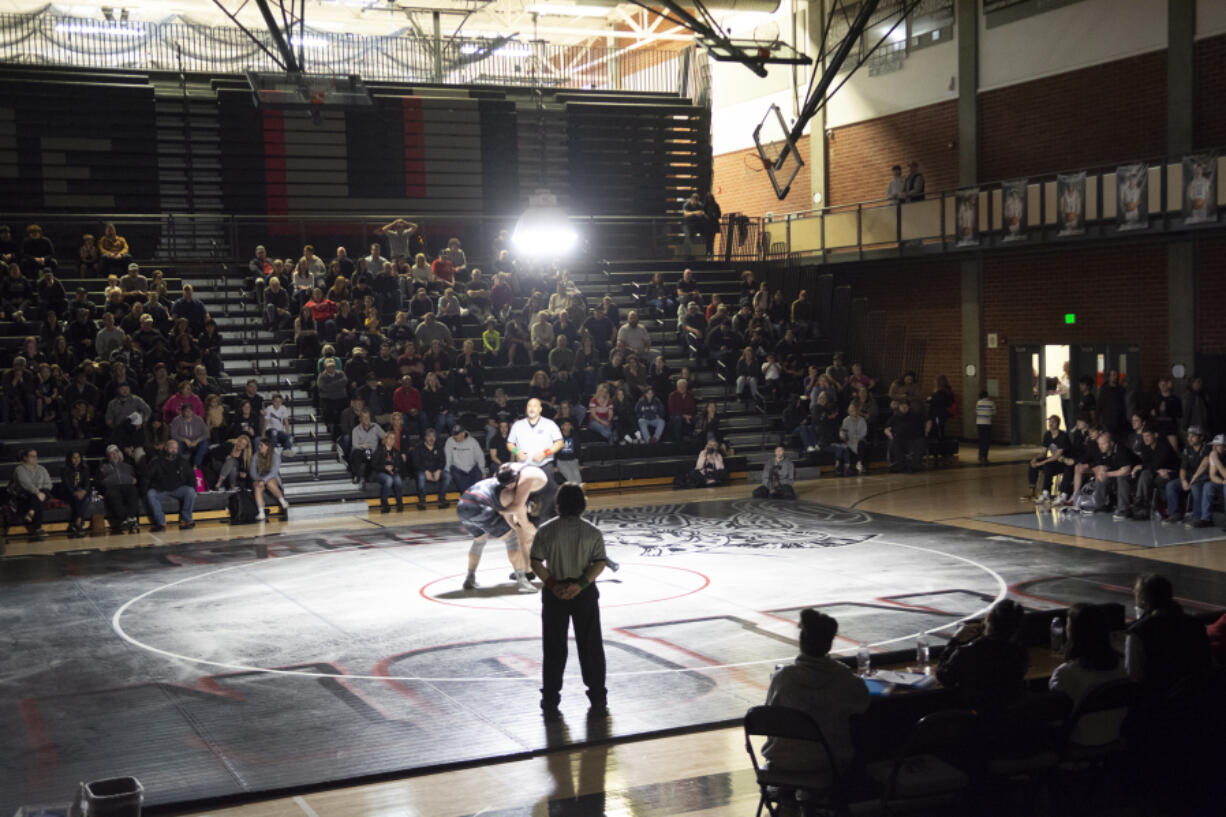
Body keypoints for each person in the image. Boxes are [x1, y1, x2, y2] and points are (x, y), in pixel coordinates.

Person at [530, 482, 610, 718]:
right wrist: (581, 585)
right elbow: (600, 563)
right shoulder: (592, 532)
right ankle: (598, 695)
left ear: (558, 505)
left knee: (554, 646)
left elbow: (535, 562)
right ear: (583, 505)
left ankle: (550, 697)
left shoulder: (545, 530)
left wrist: (554, 585)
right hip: (583, 592)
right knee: (591, 645)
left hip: (555, 593)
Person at [762, 609, 869, 783]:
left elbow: (768, 720)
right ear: (829, 643)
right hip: (828, 761)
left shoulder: (782, 679)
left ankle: (790, 802)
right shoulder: (845, 678)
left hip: (783, 761)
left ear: (801, 641)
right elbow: (863, 704)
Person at [1049, 604, 1129, 747]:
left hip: (1078, 739)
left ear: (1073, 632)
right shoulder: (1123, 666)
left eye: (1068, 624)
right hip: (1114, 733)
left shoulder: (1066, 673)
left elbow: (1056, 713)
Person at [460, 463, 548, 592]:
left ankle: (470, 578)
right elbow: (525, 525)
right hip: (481, 508)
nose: (510, 487)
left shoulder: (496, 480)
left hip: (463, 505)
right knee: (512, 539)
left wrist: (515, 526)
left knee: (479, 540)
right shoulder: (513, 495)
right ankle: (523, 582)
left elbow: (508, 517)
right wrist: (541, 537)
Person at [1125, 573, 1212, 700]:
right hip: (1196, 698)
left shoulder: (1138, 632)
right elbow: (1207, 661)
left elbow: (1135, 676)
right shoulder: (1195, 624)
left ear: (1143, 599)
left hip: (1159, 703)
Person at [936, 598, 1028, 715]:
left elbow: (944, 676)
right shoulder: (1019, 652)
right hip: (1010, 720)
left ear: (988, 619)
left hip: (973, 720)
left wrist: (954, 640)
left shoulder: (968, 652)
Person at [508, 397, 563, 519]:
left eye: (534, 406)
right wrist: (517, 452)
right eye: (529, 406)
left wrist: (545, 453)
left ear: (540, 409)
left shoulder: (550, 424)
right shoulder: (518, 425)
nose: (532, 409)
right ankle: (526, 521)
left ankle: (546, 520)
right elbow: (510, 443)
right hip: (524, 467)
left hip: (544, 466)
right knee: (522, 496)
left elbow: (559, 443)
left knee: (551, 492)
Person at [142, 439, 196, 532]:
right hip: (161, 489)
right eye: (171, 448)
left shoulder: (182, 461)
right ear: (165, 448)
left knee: (190, 491)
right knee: (150, 494)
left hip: (178, 488)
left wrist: (193, 488)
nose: (174, 450)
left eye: (176, 448)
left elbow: (191, 476)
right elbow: (146, 477)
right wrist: (144, 491)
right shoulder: (156, 461)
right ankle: (161, 523)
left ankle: (187, 520)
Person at [97, 444, 140, 533]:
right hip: (112, 487)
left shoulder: (127, 466)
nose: (114, 454)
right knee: (114, 495)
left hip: (127, 485)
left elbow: (135, 477)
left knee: (133, 491)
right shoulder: (103, 467)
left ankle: (130, 518)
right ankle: (125, 519)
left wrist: (134, 480)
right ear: (108, 455)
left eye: (116, 452)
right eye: (111, 453)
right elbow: (99, 481)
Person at [1027, 415, 1069, 505]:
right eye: (1049, 421)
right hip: (1053, 460)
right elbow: (1043, 453)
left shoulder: (1063, 435)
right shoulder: (1047, 434)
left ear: (1058, 424)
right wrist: (1035, 459)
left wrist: (1040, 463)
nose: (1050, 423)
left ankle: (1046, 493)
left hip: (1063, 461)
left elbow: (1056, 456)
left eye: (1053, 422)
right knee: (1032, 464)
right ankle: (1032, 489)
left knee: (1047, 466)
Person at [11, 447, 51, 540]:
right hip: (24, 493)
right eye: (32, 456)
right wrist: (37, 492)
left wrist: (39, 492)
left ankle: (32, 512)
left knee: (43, 494)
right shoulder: (19, 469)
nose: (35, 458)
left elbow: (49, 484)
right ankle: (38, 528)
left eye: (36, 456)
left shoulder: (41, 468)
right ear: (25, 458)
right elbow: (26, 484)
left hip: (41, 493)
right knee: (36, 497)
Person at [249, 437, 289, 522]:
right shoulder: (256, 456)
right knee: (257, 487)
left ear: (267, 446)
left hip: (271, 477)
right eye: (259, 445)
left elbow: (273, 471)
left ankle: (283, 501)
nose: (259, 447)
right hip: (260, 478)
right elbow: (252, 471)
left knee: (269, 483)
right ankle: (261, 512)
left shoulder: (275, 456)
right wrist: (259, 480)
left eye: (261, 445)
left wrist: (264, 480)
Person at [413, 427, 451, 510]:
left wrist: (438, 470)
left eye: (433, 436)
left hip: (436, 470)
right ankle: (422, 500)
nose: (431, 438)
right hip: (423, 471)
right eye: (429, 436)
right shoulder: (419, 447)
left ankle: (442, 499)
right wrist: (425, 471)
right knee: (421, 477)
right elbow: (415, 463)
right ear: (425, 437)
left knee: (447, 476)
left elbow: (443, 461)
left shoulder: (439, 447)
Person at [57, 450, 93, 539]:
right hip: (68, 492)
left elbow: (87, 483)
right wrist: (74, 492)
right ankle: (79, 522)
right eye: (74, 457)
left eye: (78, 457)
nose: (76, 459)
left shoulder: (84, 468)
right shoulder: (64, 470)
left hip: (82, 491)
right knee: (78, 498)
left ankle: (77, 521)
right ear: (70, 459)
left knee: (86, 498)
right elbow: (67, 484)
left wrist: (84, 491)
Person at [884, 400, 926, 473]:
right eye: (902, 406)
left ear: (909, 407)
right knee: (894, 443)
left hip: (913, 439)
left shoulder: (915, 416)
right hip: (899, 439)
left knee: (921, 442)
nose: (904, 408)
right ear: (899, 407)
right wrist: (889, 434)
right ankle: (902, 465)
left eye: (905, 406)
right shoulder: (894, 418)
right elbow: (886, 429)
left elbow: (925, 423)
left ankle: (915, 465)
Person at [372, 433, 407, 513]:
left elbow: (400, 465)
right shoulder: (379, 450)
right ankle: (384, 503)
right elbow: (374, 464)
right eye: (390, 438)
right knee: (389, 480)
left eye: (393, 438)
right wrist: (385, 467)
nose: (391, 440)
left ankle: (399, 502)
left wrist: (393, 469)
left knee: (398, 479)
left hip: (392, 472)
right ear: (385, 439)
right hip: (380, 472)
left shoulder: (396, 452)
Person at [445, 424, 485, 492]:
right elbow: (448, 457)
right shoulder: (449, 441)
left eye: (457, 434)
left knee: (478, 475)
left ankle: (473, 496)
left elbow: (480, 457)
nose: (454, 436)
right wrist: (447, 469)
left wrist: (482, 470)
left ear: (463, 434)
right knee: (455, 473)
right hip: (457, 468)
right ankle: (468, 496)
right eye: (454, 434)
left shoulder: (473, 442)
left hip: (471, 467)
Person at [349, 409, 384, 485]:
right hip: (360, 450)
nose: (366, 419)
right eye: (364, 417)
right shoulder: (356, 430)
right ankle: (357, 475)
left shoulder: (375, 426)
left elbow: (384, 437)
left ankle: (367, 477)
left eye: (367, 417)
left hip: (371, 451)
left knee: (369, 453)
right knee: (357, 453)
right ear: (360, 419)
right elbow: (355, 445)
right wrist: (362, 446)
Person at [976, 390, 995, 465]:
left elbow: (977, 412)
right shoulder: (991, 403)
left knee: (981, 440)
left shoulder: (978, 403)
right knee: (986, 441)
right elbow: (994, 412)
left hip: (979, 423)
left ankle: (980, 455)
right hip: (987, 423)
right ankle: (984, 456)